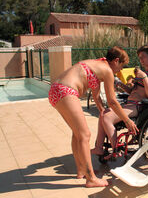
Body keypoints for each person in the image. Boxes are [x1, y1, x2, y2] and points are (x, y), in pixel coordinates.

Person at [48, 46, 138, 188]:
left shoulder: (97, 64)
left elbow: (96, 96)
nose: (120, 71)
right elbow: (112, 101)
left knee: (77, 134)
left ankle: (81, 171)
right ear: (115, 61)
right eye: (121, 66)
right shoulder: (107, 70)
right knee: (85, 135)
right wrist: (126, 120)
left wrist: (102, 111)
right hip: (67, 91)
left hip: (56, 90)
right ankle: (91, 178)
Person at [91, 45, 148, 160]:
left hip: (138, 107)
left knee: (107, 118)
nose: (141, 61)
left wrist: (144, 77)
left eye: (143, 57)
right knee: (103, 113)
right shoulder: (144, 73)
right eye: (139, 58)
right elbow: (133, 91)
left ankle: (115, 149)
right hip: (130, 104)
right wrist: (121, 85)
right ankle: (99, 147)